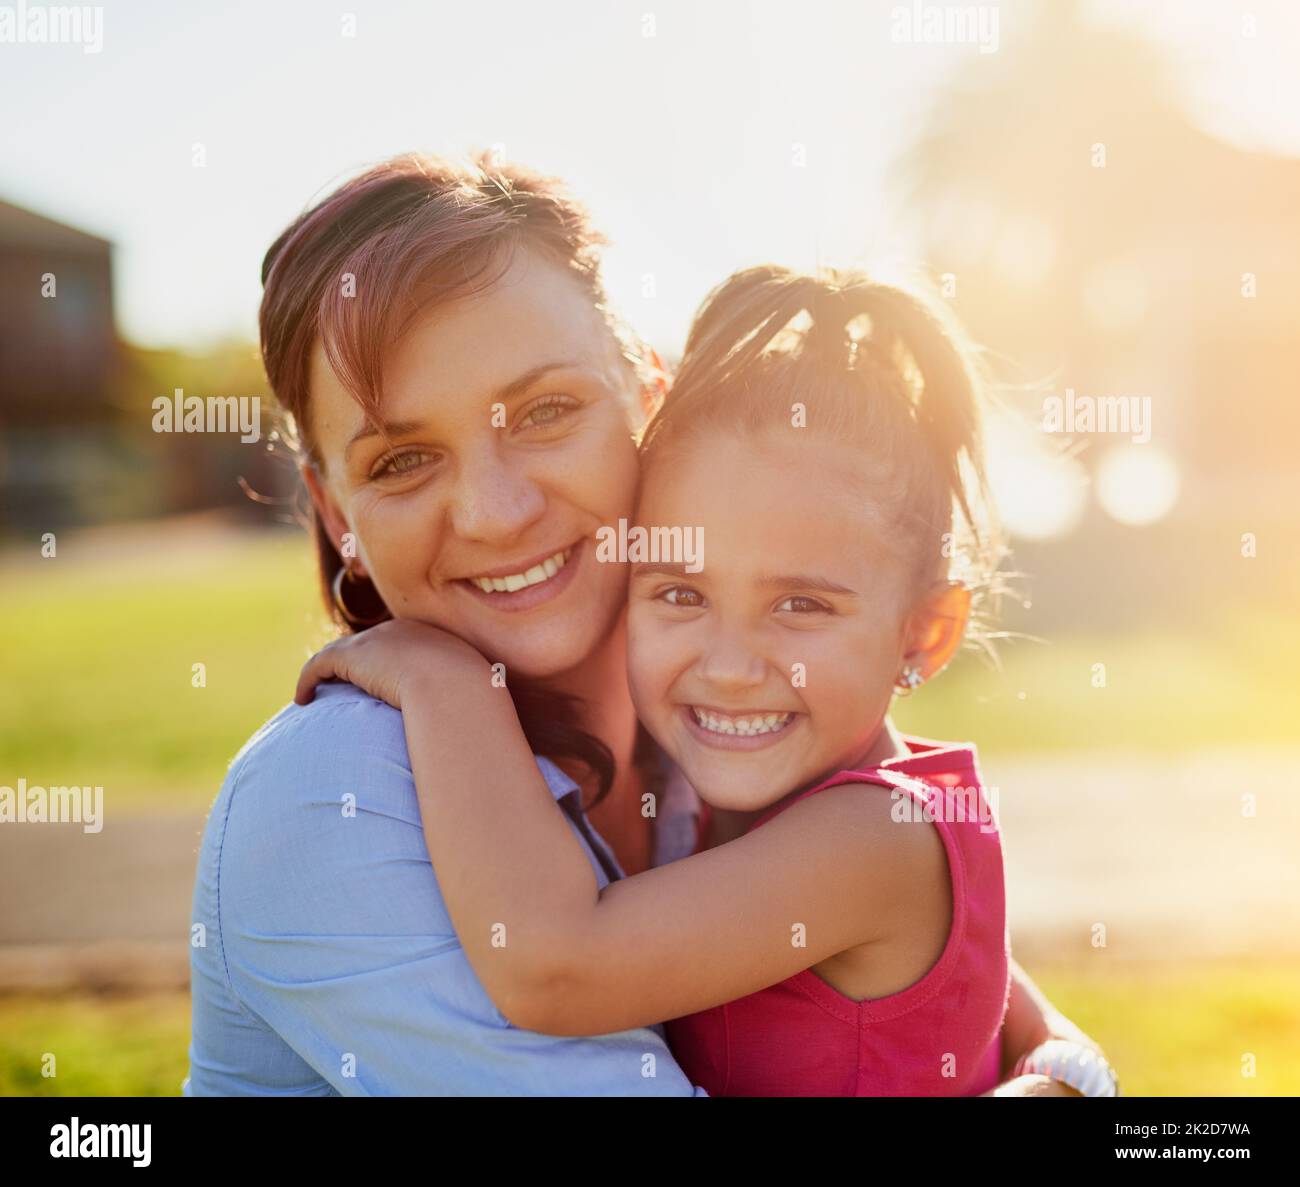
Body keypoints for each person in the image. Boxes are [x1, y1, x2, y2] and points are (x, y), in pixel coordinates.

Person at [187, 151, 1102, 1095]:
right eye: (402, 459)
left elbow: (980, 988)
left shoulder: (707, 747)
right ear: (338, 516)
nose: (496, 512)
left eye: (546, 410)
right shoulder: (331, 790)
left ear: (650, 406)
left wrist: (1070, 1076)